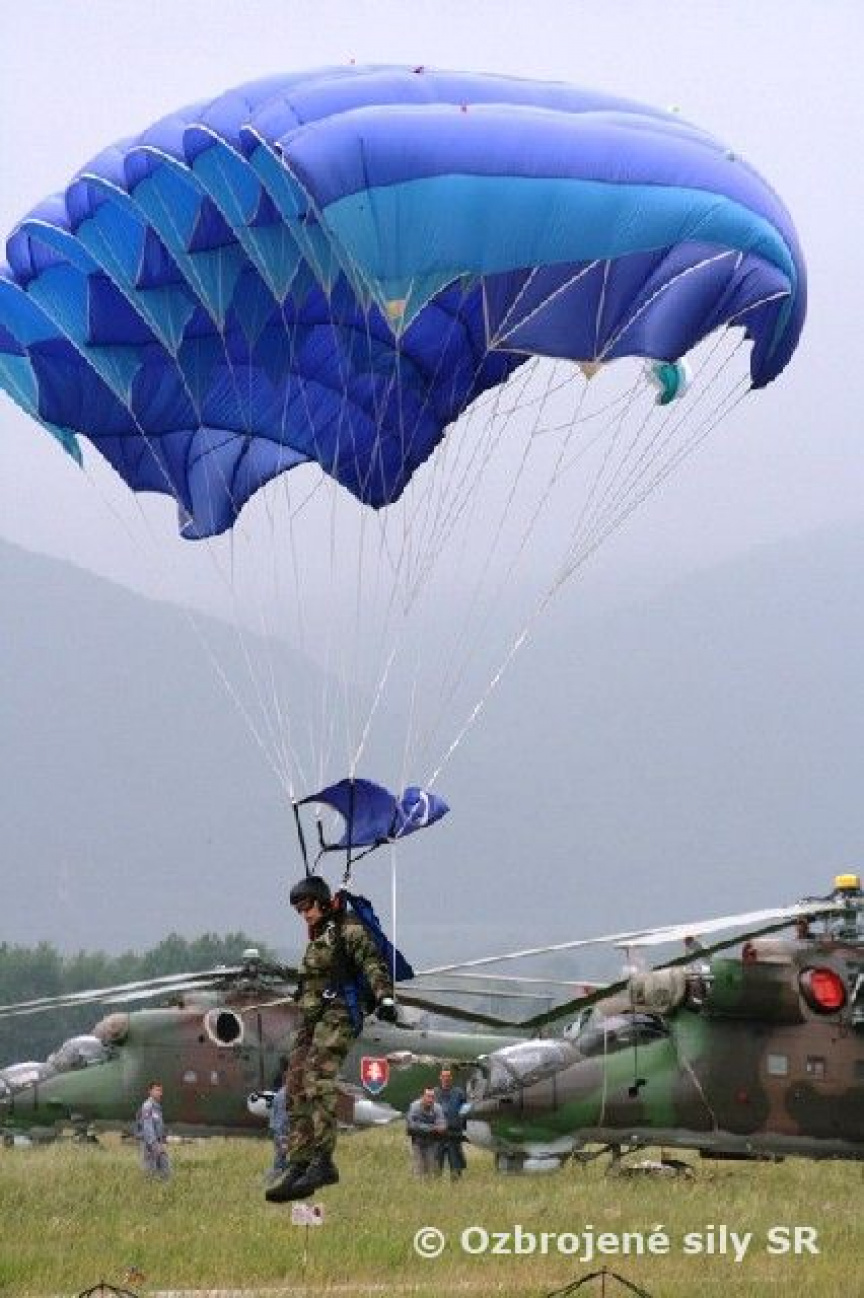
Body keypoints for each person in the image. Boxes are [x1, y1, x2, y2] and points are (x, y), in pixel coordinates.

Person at [266, 875, 396, 1202]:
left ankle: (323, 1161)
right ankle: (299, 1162)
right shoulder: (318, 936)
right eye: (298, 910)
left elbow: (372, 962)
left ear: (322, 901)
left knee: (317, 1079)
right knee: (294, 1085)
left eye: (307, 906)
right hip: (313, 1018)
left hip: (339, 1013)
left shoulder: (346, 929)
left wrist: (384, 997)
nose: (304, 914)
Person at [434, 1067, 467, 1179]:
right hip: (438, 1134)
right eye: (444, 1076)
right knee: (436, 1163)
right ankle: (434, 1185)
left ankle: (457, 1186)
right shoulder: (435, 1092)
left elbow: (465, 1111)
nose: (446, 1079)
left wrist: (464, 1128)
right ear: (440, 1078)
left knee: (456, 1164)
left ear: (451, 1078)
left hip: (454, 1133)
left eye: (448, 1076)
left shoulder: (459, 1093)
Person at [406, 1086, 446, 1177]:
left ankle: (430, 1184)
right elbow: (412, 1125)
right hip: (417, 1141)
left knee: (432, 1169)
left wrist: (439, 1127)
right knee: (419, 1169)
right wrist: (432, 1128)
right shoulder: (414, 1106)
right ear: (423, 1097)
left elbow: (442, 1124)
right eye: (428, 1096)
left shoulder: (437, 1108)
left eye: (432, 1097)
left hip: (432, 1142)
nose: (430, 1099)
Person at [137, 1081, 170, 1179]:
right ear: (150, 1092)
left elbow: (158, 1125)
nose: (160, 1093)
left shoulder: (157, 1107)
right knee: (150, 1169)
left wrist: (162, 1140)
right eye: (157, 1090)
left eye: (160, 1091)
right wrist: (153, 1143)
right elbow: (147, 1126)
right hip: (149, 1143)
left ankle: (163, 1186)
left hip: (158, 1142)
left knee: (165, 1167)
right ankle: (149, 1185)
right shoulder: (148, 1106)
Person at [268, 1068, 290, 1180]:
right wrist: (283, 1137)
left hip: (278, 1131)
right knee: (281, 1160)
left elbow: (274, 1116)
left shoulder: (280, 1094)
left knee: (281, 1158)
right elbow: (282, 1118)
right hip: (282, 1132)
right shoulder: (285, 1095)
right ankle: (271, 1180)